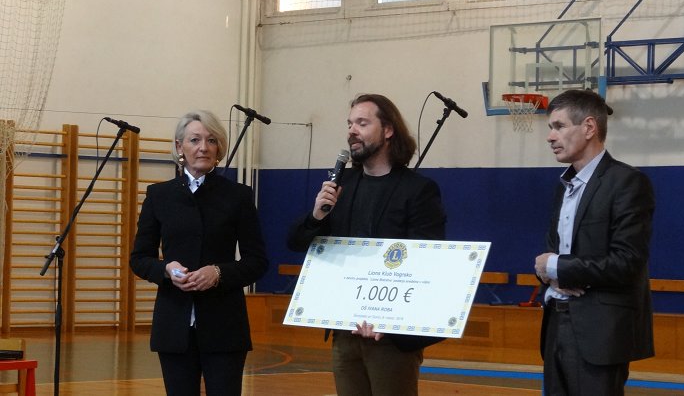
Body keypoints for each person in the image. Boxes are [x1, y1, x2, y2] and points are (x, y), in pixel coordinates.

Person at [288, 93, 447, 396]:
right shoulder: (341, 186)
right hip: (345, 331)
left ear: (388, 130)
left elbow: (426, 261)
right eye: (349, 124)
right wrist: (317, 214)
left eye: (362, 123)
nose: (352, 131)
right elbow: (295, 242)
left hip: (390, 335)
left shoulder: (418, 190)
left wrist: (389, 318)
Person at [130, 110, 268, 396]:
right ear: (180, 147)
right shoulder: (159, 195)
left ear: (219, 149)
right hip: (173, 325)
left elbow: (257, 262)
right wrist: (166, 270)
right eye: (195, 140)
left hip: (224, 326)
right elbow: (139, 259)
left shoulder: (238, 196)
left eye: (211, 140)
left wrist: (218, 272)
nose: (203, 147)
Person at [533, 89, 655, 396]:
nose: (550, 136)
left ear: (589, 127)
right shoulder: (564, 186)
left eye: (559, 126)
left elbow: (627, 262)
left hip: (600, 332)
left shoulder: (626, 182)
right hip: (555, 323)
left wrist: (558, 267)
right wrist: (550, 273)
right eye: (550, 127)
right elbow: (553, 254)